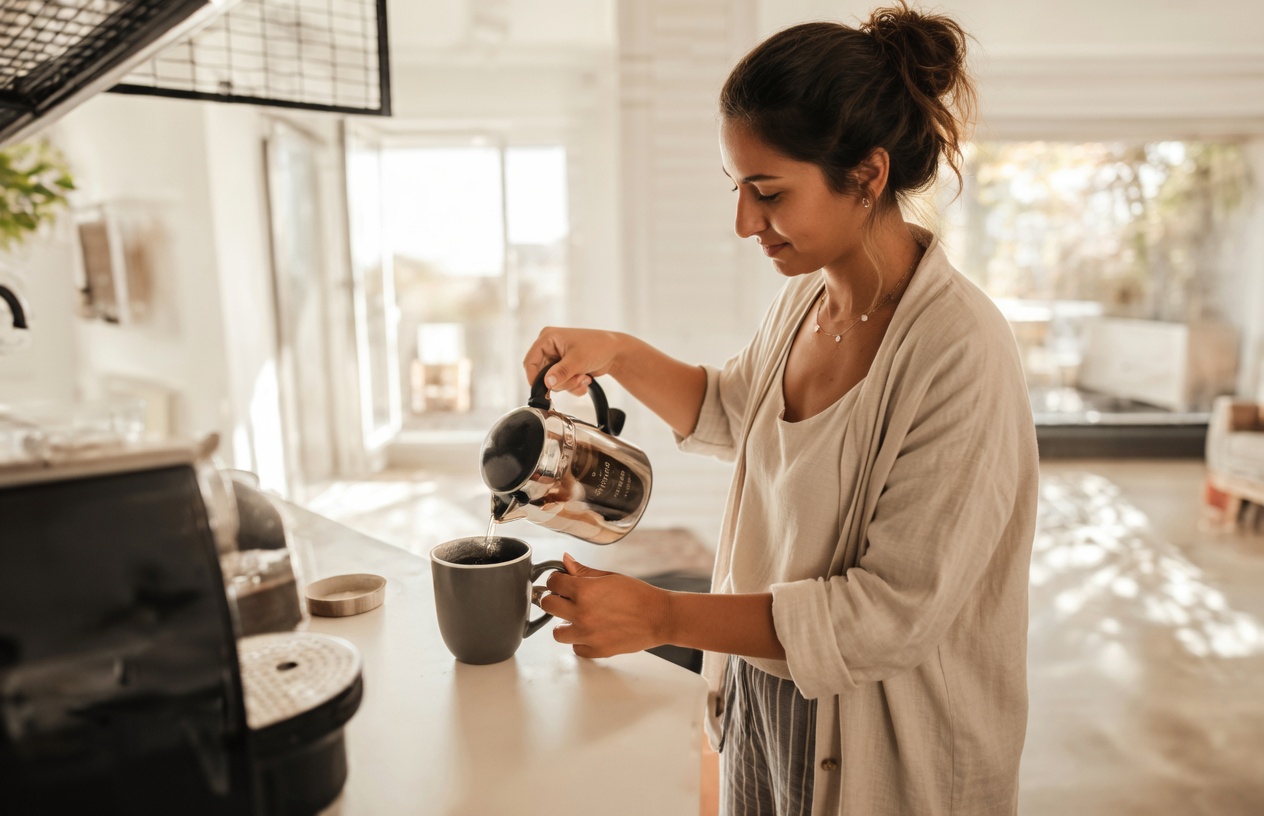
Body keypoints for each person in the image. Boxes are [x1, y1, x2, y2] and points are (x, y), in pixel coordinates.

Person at [530, 4, 1039, 815]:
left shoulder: (962, 351)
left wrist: (662, 614)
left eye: (768, 192)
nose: (743, 224)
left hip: (889, 745)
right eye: (738, 189)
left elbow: (887, 616)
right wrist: (617, 352)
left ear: (867, 176)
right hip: (767, 699)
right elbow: (736, 409)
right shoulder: (807, 301)